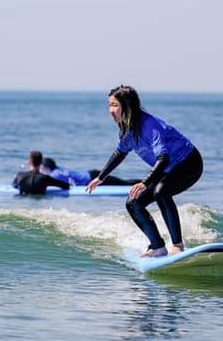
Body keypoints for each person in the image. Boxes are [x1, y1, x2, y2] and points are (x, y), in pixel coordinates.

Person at [86, 85, 204, 258]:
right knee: (133, 203)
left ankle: (178, 246)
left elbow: (163, 158)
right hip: (167, 169)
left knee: (161, 191)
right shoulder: (127, 129)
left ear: (128, 106)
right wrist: (101, 177)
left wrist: (144, 183)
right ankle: (157, 246)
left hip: (189, 163)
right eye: (109, 105)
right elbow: (120, 152)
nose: (111, 111)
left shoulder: (149, 125)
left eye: (115, 105)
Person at [41, 157, 140, 187]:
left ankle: (146, 182)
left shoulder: (54, 175)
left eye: (41, 168)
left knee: (123, 183)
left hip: (93, 178)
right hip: (91, 174)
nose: (40, 170)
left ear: (46, 167)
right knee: (122, 182)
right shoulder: (57, 170)